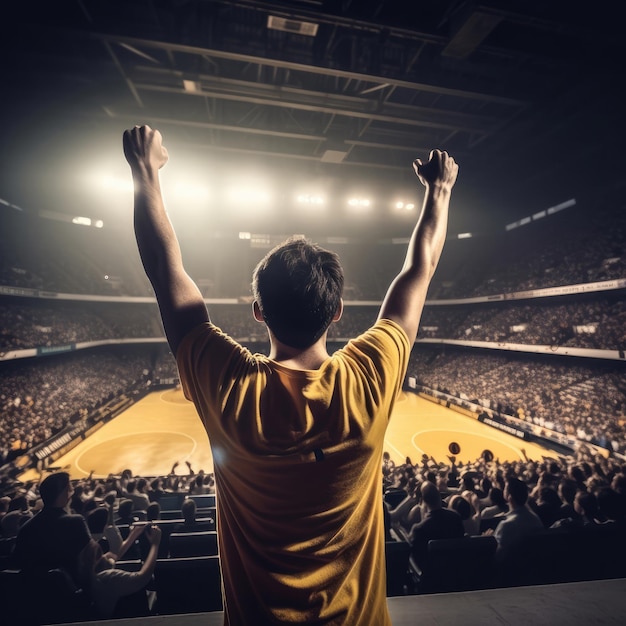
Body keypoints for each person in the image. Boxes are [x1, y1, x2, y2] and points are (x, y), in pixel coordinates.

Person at [123, 124, 458, 626]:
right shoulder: (371, 374)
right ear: (339, 310)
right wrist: (439, 191)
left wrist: (145, 172)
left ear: (258, 311)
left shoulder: (229, 384)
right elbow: (420, 268)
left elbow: (163, 268)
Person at [14, 472, 98, 585]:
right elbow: (92, 560)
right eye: (70, 490)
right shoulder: (76, 521)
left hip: (32, 595)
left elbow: (18, 563)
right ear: (65, 493)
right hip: (70, 595)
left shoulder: (25, 529)